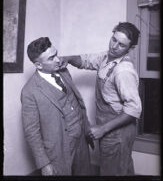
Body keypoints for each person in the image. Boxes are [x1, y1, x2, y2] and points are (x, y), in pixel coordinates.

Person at [60, 22, 142, 176]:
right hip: (110, 129)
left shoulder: (124, 71)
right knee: (122, 169)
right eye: (114, 39)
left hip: (118, 131)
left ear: (130, 49)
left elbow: (134, 109)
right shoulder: (107, 57)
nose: (114, 46)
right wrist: (68, 58)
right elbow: (86, 60)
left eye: (121, 45)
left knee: (112, 171)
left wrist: (102, 128)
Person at [21, 37, 94, 176]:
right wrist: (44, 164)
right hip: (59, 149)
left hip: (82, 141)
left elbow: (75, 101)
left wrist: (85, 127)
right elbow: (32, 132)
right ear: (38, 65)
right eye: (51, 58)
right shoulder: (29, 92)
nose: (57, 60)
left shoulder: (64, 71)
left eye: (56, 54)